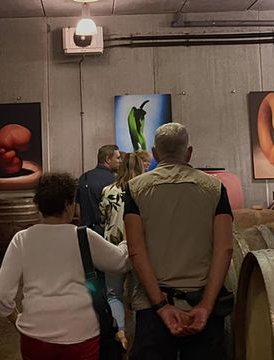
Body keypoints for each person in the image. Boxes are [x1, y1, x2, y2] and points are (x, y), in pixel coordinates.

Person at [123, 123, 234, 360]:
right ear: (189, 152)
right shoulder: (215, 188)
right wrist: (206, 305)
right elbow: (224, 249)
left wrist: (162, 307)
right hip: (202, 304)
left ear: (154, 153)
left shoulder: (135, 189)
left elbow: (135, 251)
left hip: (153, 307)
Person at [0, 173, 129, 360]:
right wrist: (127, 241)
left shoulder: (22, 239)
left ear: (38, 205)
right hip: (81, 334)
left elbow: (1, 295)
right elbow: (120, 262)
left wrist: (16, 319)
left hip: (35, 335)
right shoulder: (83, 236)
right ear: (68, 204)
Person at [99, 152, 145, 350]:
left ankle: (121, 334)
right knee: (138, 296)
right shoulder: (144, 190)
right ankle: (140, 338)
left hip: (113, 248)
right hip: (138, 247)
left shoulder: (108, 190)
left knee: (114, 295)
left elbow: (103, 218)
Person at [76, 145, 122, 235]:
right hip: (103, 234)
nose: (120, 161)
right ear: (108, 159)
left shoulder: (83, 177)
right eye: (118, 158)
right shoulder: (114, 181)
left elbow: (77, 209)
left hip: (83, 233)